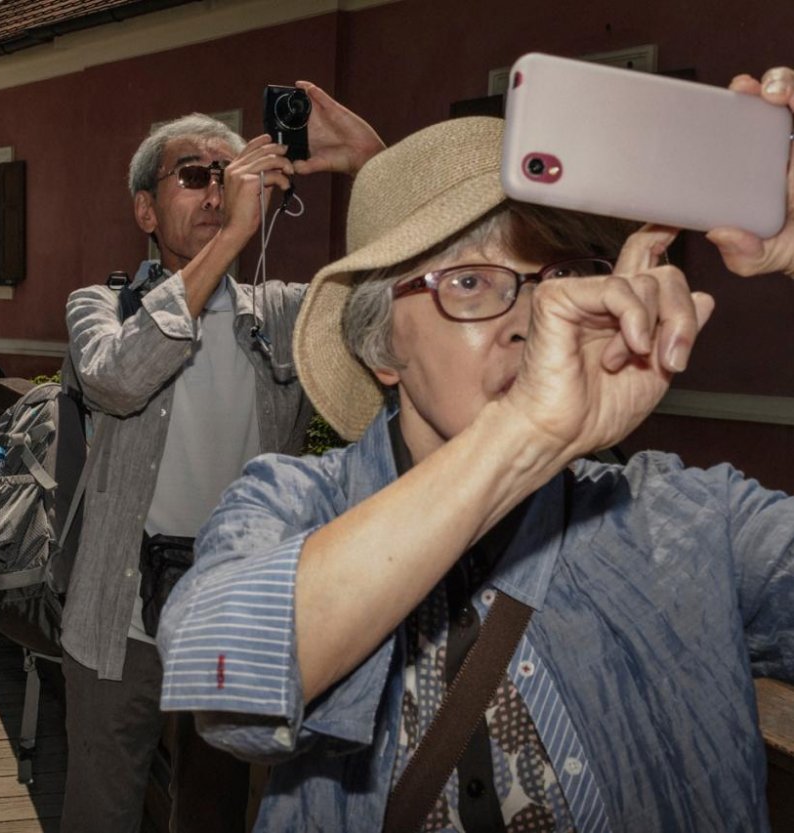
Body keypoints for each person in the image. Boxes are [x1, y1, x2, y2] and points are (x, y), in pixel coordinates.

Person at [157, 69, 794, 831]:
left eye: (556, 278)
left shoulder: (686, 517)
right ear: (380, 344)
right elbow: (221, 675)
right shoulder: (295, 504)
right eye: (469, 281)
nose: (536, 317)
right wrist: (523, 433)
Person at [59, 85, 382, 831]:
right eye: (194, 175)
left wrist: (369, 164)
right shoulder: (99, 309)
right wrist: (233, 238)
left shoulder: (284, 316)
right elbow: (114, 377)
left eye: (228, 173)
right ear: (145, 210)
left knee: (214, 814)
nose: (216, 190)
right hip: (119, 620)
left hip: (236, 614)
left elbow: (403, 296)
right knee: (100, 813)